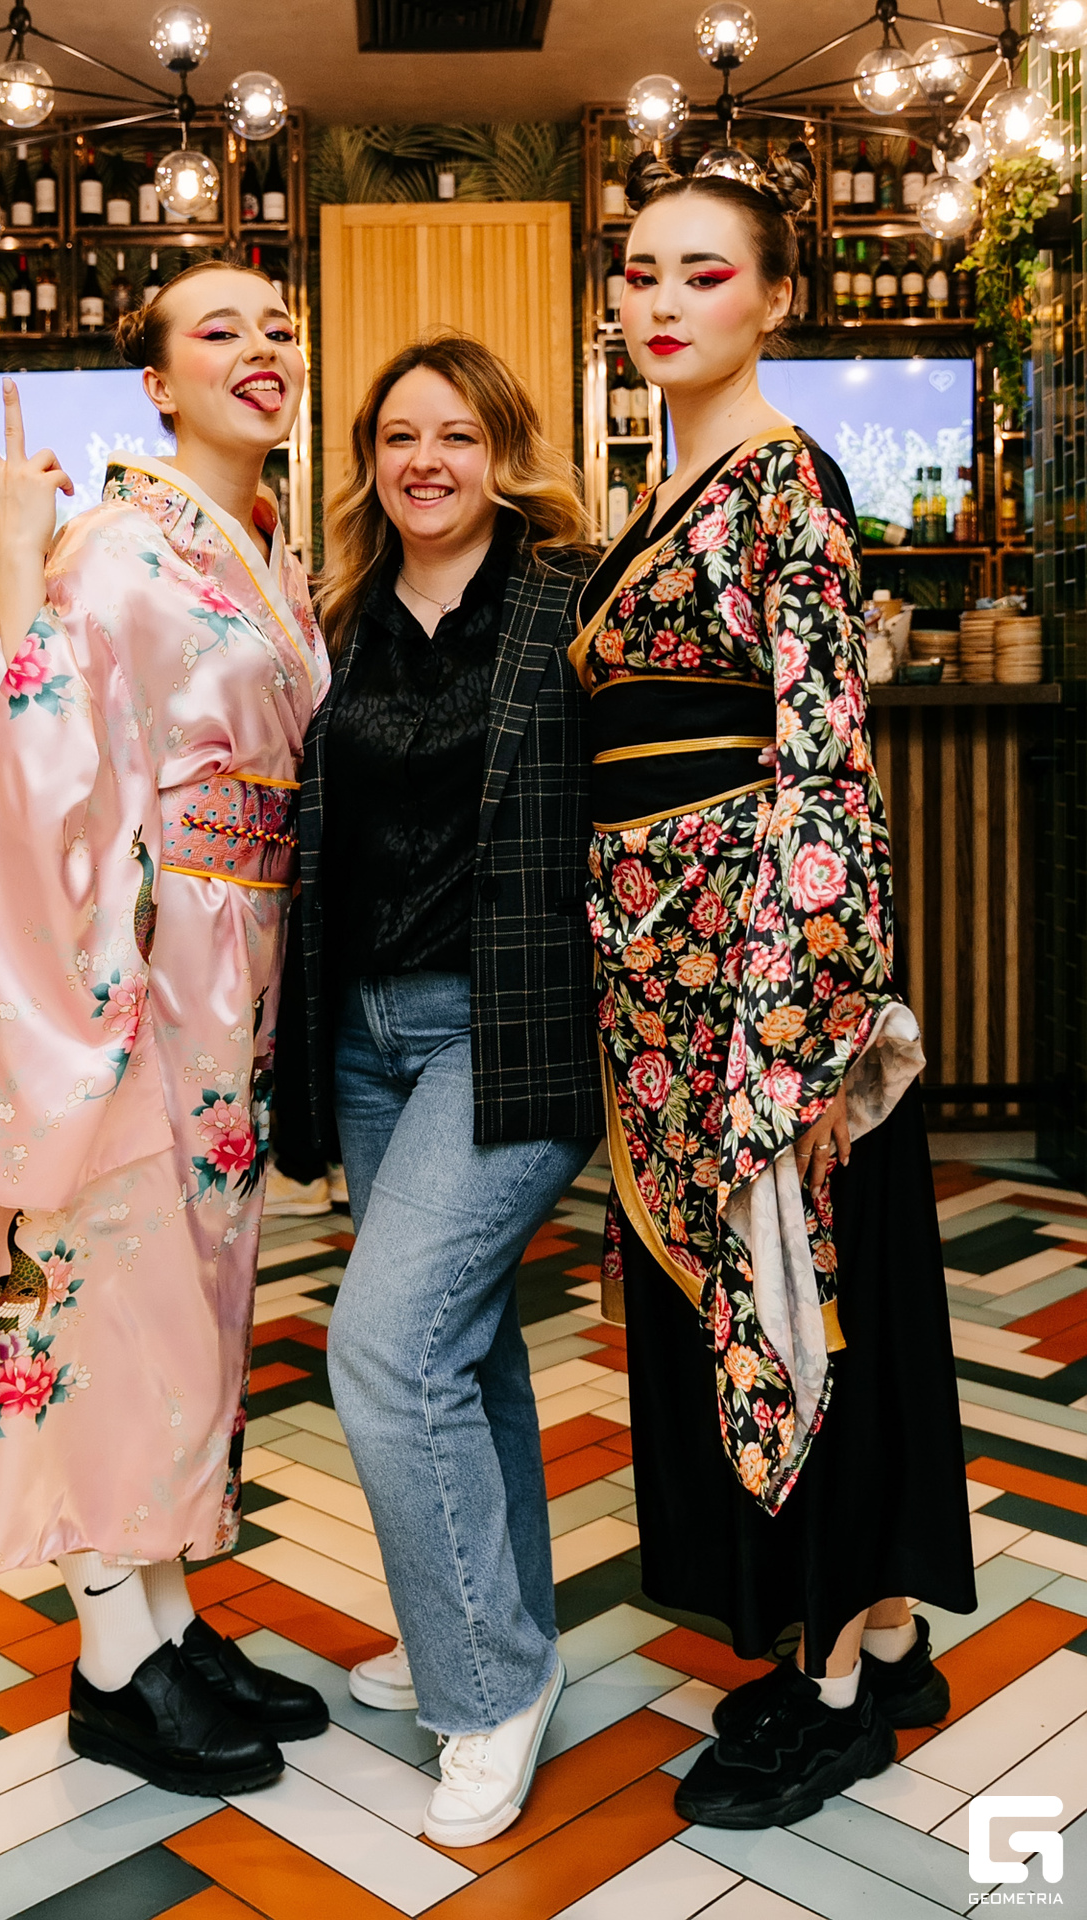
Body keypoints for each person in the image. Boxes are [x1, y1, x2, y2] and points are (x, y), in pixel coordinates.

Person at [572, 151, 976, 1829]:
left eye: (705, 272)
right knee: (756, 1307)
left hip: (758, 987)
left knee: (802, 1301)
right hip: (663, 985)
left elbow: (825, 757)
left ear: (774, 298)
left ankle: (836, 1690)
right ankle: (874, 1638)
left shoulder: (784, 477)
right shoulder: (663, 491)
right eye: (642, 273)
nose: (664, 301)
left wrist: (802, 1038)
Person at [0, 261, 331, 1797]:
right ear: (158, 385)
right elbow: (14, 732)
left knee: (191, 1298)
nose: (261, 347)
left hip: (238, 972)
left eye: (278, 326)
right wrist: (17, 547)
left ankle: (165, 1614)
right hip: (145, 960)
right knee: (109, 1281)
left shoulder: (263, 549)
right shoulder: (113, 543)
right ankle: (112, 1656)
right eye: (219, 330)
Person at [299, 335, 601, 1846]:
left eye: (459, 434)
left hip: (511, 1025)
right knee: (464, 1351)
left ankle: (483, 1689)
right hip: (364, 1034)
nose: (427, 460)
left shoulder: (571, 597)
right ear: (370, 459)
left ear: (505, 451)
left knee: (385, 1345)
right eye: (401, 435)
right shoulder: (336, 616)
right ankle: (493, 1629)